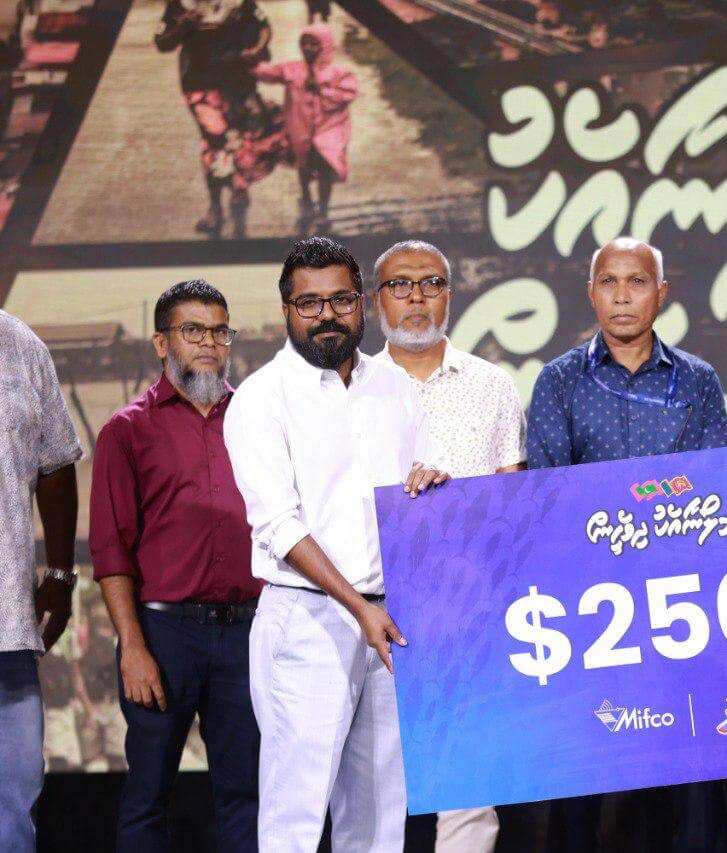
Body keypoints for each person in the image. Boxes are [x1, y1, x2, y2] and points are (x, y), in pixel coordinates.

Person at [223, 236, 449, 851]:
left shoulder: (395, 387)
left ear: (363, 304)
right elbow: (279, 525)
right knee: (295, 817)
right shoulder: (261, 398)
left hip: (391, 619)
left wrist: (432, 482)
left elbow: (417, 488)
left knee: (379, 818)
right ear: (286, 311)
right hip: (308, 619)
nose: (327, 315)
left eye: (341, 300)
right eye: (310, 303)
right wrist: (359, 608)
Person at [527, 237, 727, 853]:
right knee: (583, 777)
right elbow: (549, 496)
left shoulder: (698, 380)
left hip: (681, 607)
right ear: (590, 293)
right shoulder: (558, 381)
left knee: (690, 777)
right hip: (592, 612)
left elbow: (710, 494)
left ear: (661, 293)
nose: (622, 296)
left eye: (637, 282)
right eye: (609, 282)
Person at [89, 279, 261, 850]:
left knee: (248, 792)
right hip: (163, 635)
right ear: (162, 343)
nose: (209, 343)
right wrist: (133, 648)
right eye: (193, 330)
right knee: (148, 795)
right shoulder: (127, 429)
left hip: (247, 631)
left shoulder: (257, 419)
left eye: (219, 331)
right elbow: (110, 550)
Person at [371, 239, 525, 853]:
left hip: (471, 609)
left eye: (431, 283)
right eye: (400, 285)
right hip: (374, 609)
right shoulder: (351, 389)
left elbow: (513, 501)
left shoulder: (492, 386)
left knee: (469, 791)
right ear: (376, 301)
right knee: (374, 788)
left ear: (450, 296)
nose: (416, 297)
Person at [0, 309, 81, 852]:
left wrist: (59, 572)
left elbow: (55, 462)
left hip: (6, 627)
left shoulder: (19, 344)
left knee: (13, 807)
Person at [155, 0, 287, 238]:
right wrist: (184, 25)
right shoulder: (180, 4)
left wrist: (256, 50)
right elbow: (163, 42)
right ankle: (216, 206)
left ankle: (237, 188)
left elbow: (264, 27)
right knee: (215, 140)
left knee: (240, 138)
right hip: (199, 85)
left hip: (238, 81)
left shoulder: (239, 2)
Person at [253, 23, 356, 235]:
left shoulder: (338, 73)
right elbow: (269, 72)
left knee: (325, 167)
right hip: (300, 127)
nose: (308, 48)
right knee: (304, 164)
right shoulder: (293, 69)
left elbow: (348, 94)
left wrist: (321, 90)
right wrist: (252, 62)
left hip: (329, 129)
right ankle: (306, 197)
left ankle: (323, 210)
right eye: (304, 43)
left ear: (325, 46)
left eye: (314, 44)